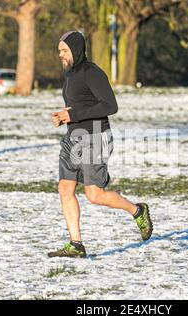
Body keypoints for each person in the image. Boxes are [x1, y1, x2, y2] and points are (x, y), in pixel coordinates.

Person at [48, 30, 153, 258]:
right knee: (65, 188)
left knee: (94, 195)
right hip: (72, 138)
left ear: (75, 49)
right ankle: (75, 244)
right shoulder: (70, 75)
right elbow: (81, 104)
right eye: (59, 51)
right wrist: (64, 116)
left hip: (95, 137)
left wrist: (73, 115)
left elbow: (110, 106)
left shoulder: (91, 72)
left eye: (64, 50)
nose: (60, 55)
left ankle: (137, 210)